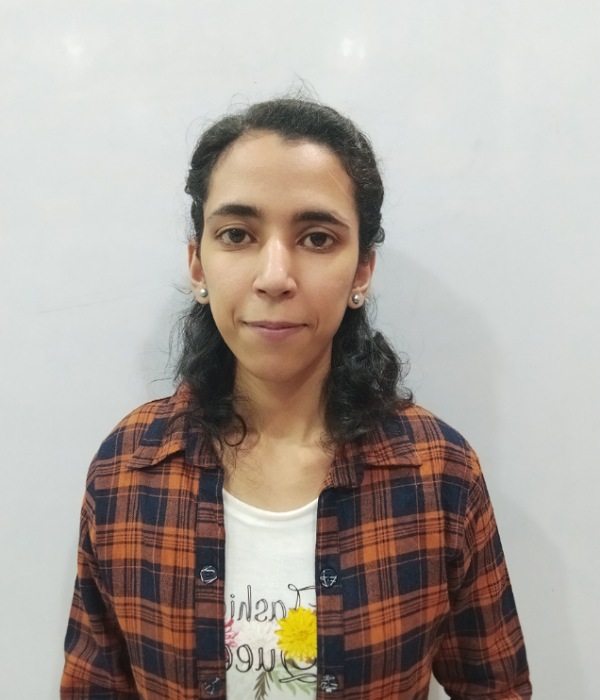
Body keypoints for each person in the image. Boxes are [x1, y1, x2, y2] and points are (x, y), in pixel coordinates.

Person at [61, 98, 532, 700]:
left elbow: (498, 689)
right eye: (237, 235)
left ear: (362, 271)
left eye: (316, 238)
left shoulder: (438, 475)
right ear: (197, 264)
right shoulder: (127, 470)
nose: (274, 276)